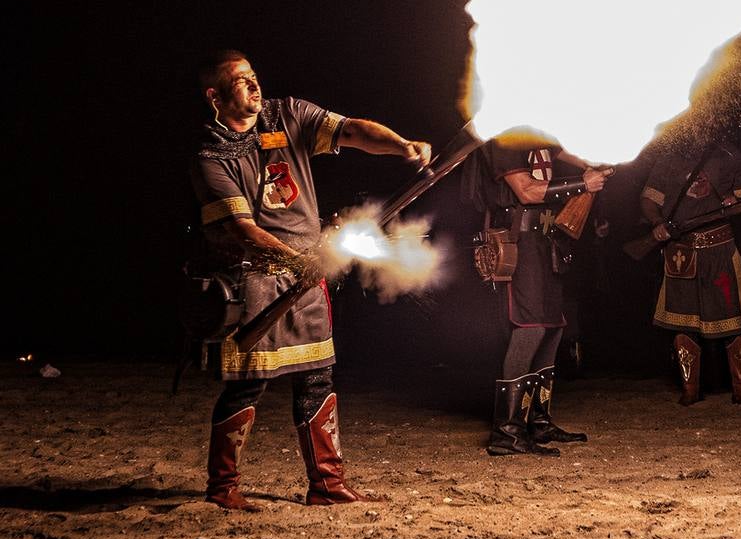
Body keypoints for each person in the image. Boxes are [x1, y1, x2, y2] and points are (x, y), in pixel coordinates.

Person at [189, 49, 432, 511]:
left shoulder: (287, 114)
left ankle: (327, 484)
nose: (254, 85)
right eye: (240, 81)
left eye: (254, 75)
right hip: (256, 280)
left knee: (318, 377)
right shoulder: (210, 156)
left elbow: (353, 130)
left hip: (308, 273)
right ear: (214, 96)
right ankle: (222, 489)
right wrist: (299, 263)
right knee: (246, 385)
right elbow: (244, 231)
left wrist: (401, 145)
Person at [471, 129, 608, 456]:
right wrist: (582, 184)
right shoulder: (505, 134)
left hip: (546, 240)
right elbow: (527, 191)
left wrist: (601, 158)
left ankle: (538, 423)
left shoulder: (535, 131)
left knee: (551, 329)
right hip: (517, 242)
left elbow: (565, 151)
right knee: (529, 328)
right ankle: (507, 431)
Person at [639, 139, 741, 406]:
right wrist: (657, 222)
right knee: (682, 323)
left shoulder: (732, 154)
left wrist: (737, 201)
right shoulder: (668, 158)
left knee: (734, 319)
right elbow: (649, 199)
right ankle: (690, 391)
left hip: (720, 249)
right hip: (681, 252)